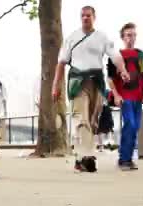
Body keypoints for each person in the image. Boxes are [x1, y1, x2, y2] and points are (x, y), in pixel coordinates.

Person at [52, 6, 130, 173]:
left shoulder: (102, 37)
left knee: (93, 122)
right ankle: (87, 157)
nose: (85, 18)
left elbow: (115, 56)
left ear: (94, 17)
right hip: (77, 81)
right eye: (83, 16)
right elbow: (61, 62)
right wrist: (55, 85)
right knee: (81, 119)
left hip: (97, 82)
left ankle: (79, 159)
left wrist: (122, 70)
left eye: (88, 15)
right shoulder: (72, 37)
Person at [107, 23, 143, 170]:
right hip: (124, 97)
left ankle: (127, 158)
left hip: (138, 97)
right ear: (123, 37)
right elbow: (110, 79)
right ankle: (124, 159)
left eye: (133, 35)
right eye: (128, 35)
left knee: (135, 127)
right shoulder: (115, 56)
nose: (131, 38)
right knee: (130, 125)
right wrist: (116, 95)